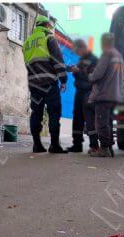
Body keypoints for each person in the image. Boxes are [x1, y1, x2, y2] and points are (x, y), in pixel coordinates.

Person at [22, 15, 68, 154]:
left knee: (36, 113)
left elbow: (28, 64)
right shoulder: (49, 38)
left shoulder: (27, 43)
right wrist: (63, 80)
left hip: (34, 85)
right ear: (47, 25)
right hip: (49, 83)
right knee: (54, 113)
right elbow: (58, 61)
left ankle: (37, 145)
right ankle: (54, 145)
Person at [86, 33, 124, 157]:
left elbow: (98, 74)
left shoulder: (107, 54)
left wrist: (89, 76)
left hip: (104, 94)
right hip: (115, 94)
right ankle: (109, 147)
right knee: (108, 121)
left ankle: (104, 149)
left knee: (102, 122)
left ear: (104, 42)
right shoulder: (118, 56)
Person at [66, 39, 98, 153]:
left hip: (88, 92)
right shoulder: (81, 60)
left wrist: (78, 71)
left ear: (83, 48)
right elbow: (80, 75)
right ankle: (77, 144)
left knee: (89, 119)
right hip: (79, 91)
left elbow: (92, 77)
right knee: (77, 118)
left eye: (77, 51)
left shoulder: (94, 60)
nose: (76, 53)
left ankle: (94, 145)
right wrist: (74, 71)